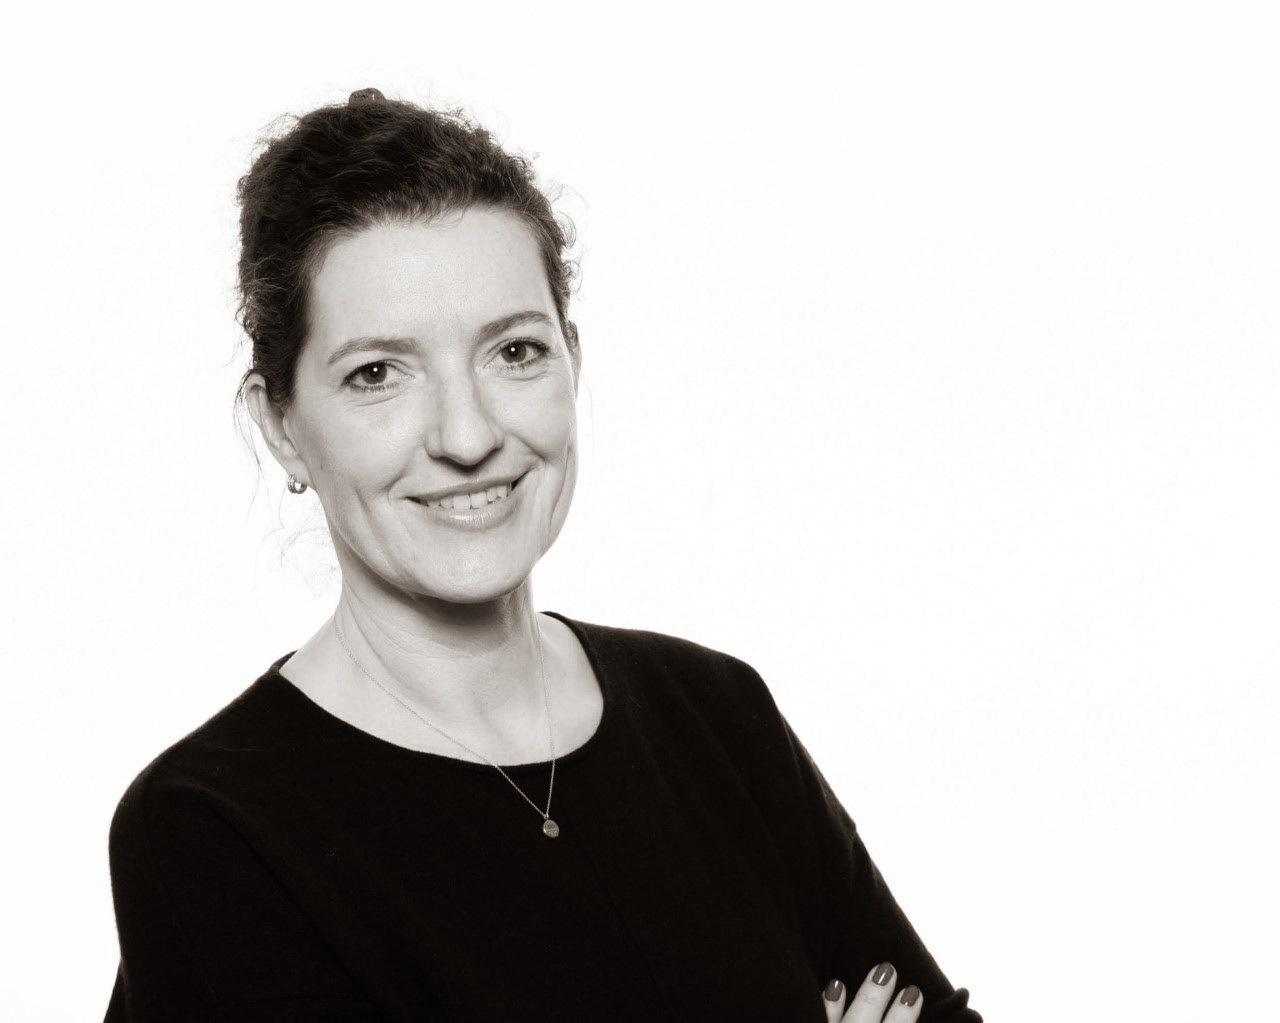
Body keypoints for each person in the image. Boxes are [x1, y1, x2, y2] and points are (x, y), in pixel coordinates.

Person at [104, 88, 982, 1023]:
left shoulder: (717, 715)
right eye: (377, 373)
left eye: (514, 352)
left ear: (572, 357)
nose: (467, 434)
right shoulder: (212, 830)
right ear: (280, 426)